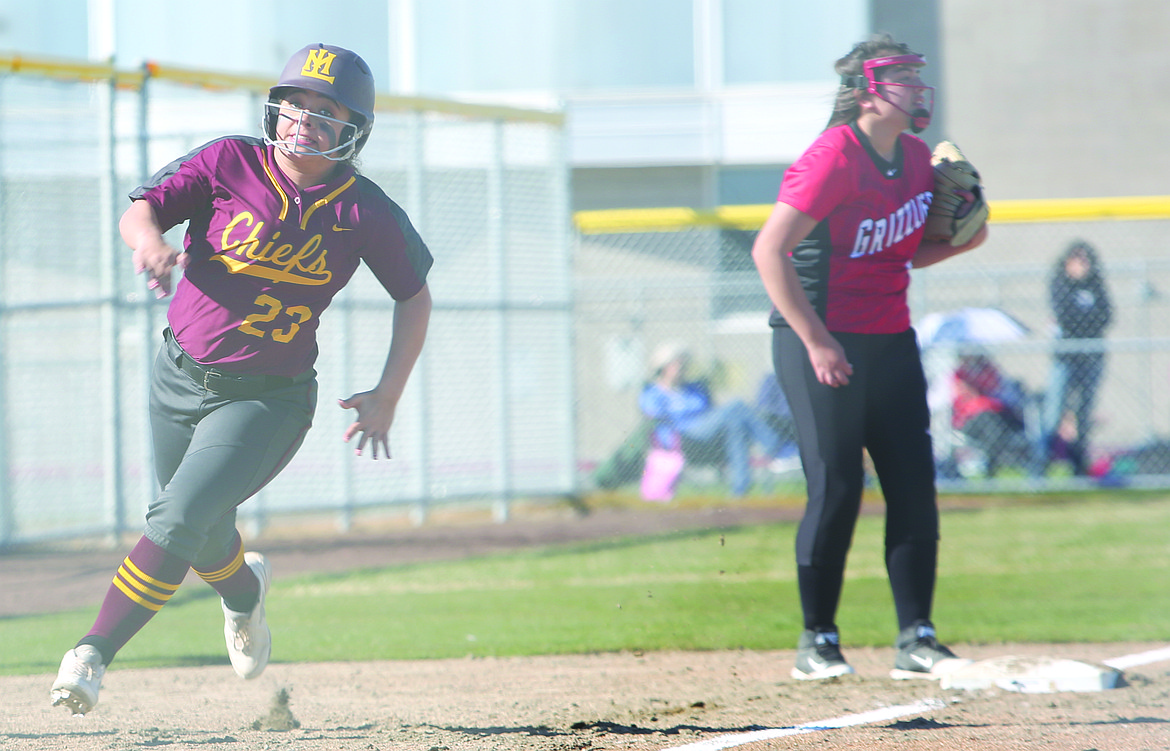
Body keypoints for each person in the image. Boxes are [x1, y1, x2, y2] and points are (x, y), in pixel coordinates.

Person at [49, 43, 433, 715]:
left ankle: (90, 653)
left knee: (177, 516)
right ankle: (244, 595)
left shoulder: (362, 209)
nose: (303, 118)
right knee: (197, 524)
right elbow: (139, 211)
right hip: (177, 376)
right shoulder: (230, 160)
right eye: (294, 102)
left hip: (266, 397)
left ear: (354, 130)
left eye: (325, 110)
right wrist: (149, 244)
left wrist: (388, 392)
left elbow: (415, 293)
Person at [749, 34, 988, 681]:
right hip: (818, 338)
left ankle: (917, 637)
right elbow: (768, 251)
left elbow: (900, 253)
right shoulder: (833, 157)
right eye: (902, 76)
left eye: (917, 74)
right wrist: (817, 339)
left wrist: (966, 237)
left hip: (889, 339)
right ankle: (816, 640)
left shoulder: (914, 158)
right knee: (838, 486)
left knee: (913, 484)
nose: (917, 86)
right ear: (867, 91)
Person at [638, 343, 787, 498]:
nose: (682, 368)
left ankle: (740, 490)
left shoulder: (693, 388)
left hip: (707, 431)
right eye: (677, 364)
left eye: (683, 364)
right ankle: (775, 446)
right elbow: (652, 415)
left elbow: (709, 409)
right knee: (736, 405)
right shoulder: (653, 393)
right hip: (683, 436)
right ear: (663, 368)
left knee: (736, 426)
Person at [1037, 240, 1112, 475]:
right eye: (1077, 260)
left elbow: (1106, 316)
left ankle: (1078, 465)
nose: (1082, 265)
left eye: (1086, 260)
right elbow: (1065, 315)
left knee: (1084, 411)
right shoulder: (1060, 283)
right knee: (1055, 410)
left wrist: (1083, 322)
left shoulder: (1096, 285)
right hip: (1065, 357)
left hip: (1092, 357)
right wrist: (1085, 322)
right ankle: (1042, 464)